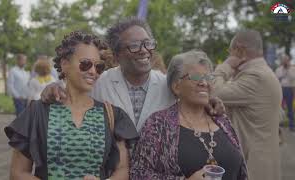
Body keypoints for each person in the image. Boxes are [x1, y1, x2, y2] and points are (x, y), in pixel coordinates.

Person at [41, 17, 225, 132]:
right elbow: (72, 96)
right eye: (135, 46)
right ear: (117, 54)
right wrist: (53, 88)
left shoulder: (169, 85)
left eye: (148, 43)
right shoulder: (99, 82)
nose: (144, 51)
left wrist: (209, 102)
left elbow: (193, 103)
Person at [4, 30, 138, 180]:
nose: (93, 71)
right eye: (85, 64)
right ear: (65, 64)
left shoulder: (113, 115)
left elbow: (123, 170)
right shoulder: (37, 112)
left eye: (99, 66)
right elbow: (17, 173)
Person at [130, 50, 247, 180]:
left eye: (208, 77)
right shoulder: (157, 124)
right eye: (195, 77)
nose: (204, 83)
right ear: (176, 86)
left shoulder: (222, 121)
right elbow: (138, 173)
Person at [212, 29, 282, 180]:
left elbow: (214, 92)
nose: (228, 55)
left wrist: (225, 66)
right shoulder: (262, 72)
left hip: (254, 166)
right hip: (261, 161)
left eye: (230, 51)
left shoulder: (256, 76)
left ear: (239, 50)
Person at [275, 54, 295, 131]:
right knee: (279, 107)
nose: (285, 62)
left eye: (286, 60)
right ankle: (279, 123)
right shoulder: (279, 69)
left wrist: (288, 69)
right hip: (281, 88)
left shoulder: (292, 69)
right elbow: (277, 78)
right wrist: (283, 72)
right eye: (284, 60)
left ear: (288, 61)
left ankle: (292, 125)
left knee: (290, 107)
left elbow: (293, 77)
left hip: (289, 89)